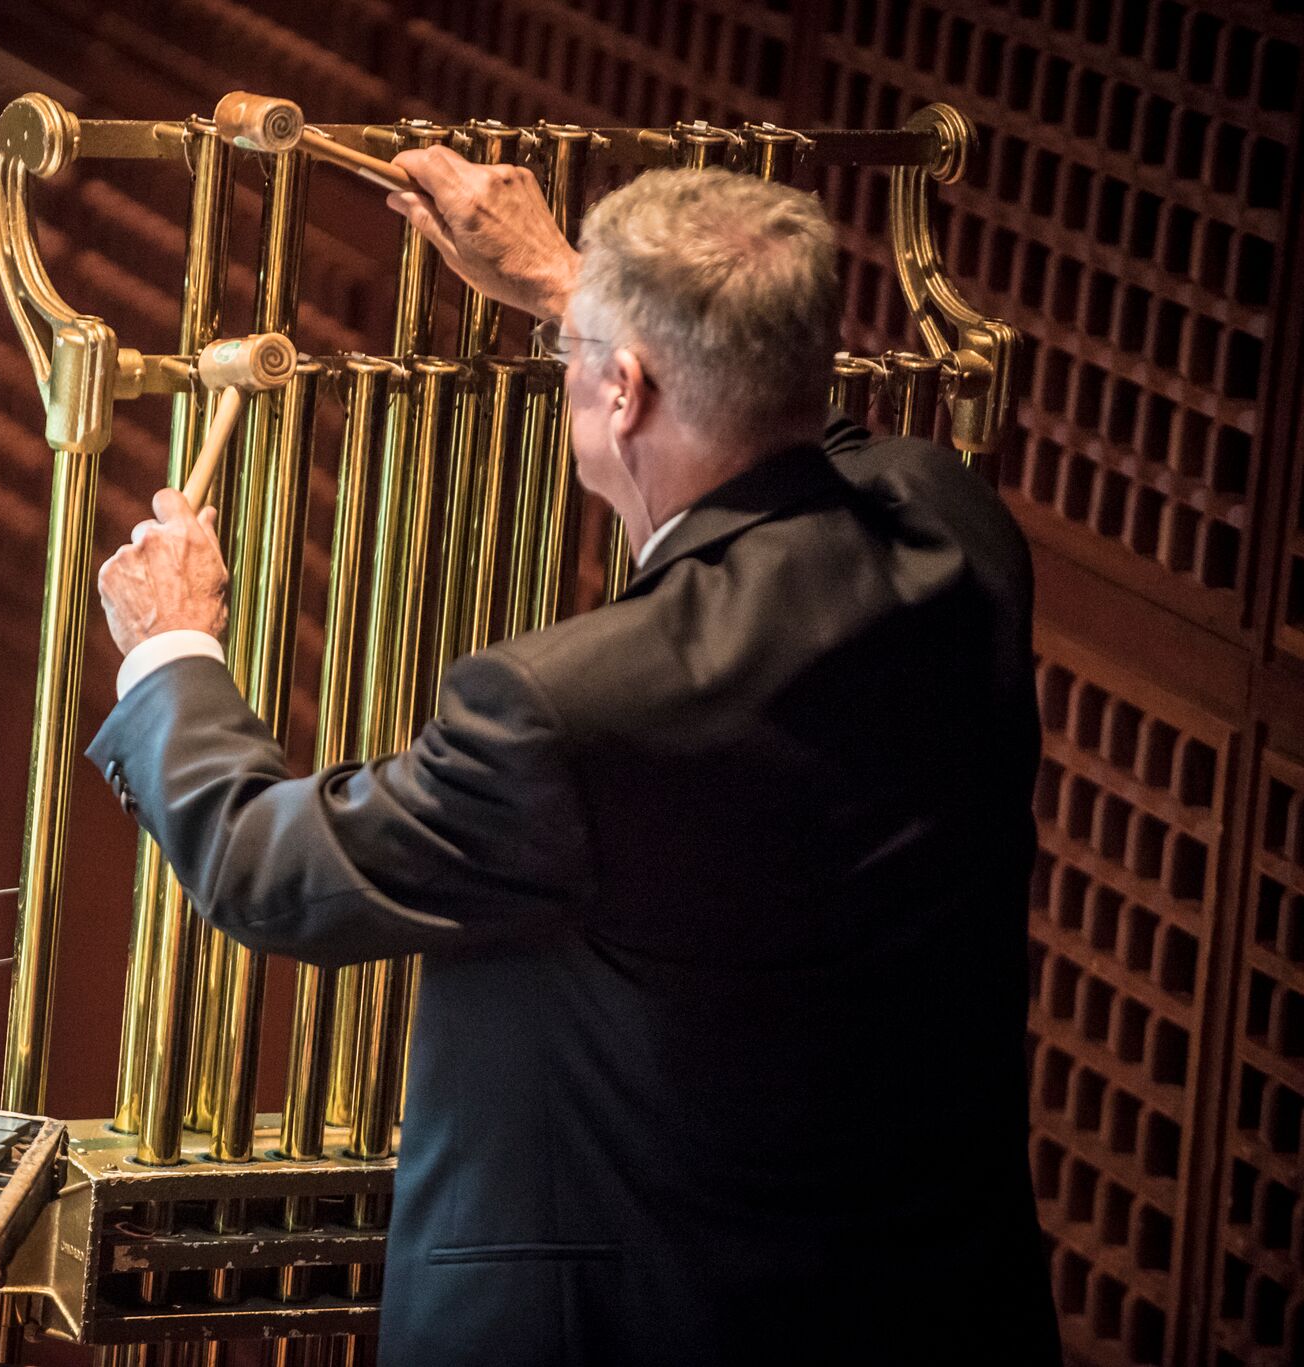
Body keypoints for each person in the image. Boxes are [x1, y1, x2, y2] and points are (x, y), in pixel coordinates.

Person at [87, 151, 1059, 1365]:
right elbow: (804, 428)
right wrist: (567, 287)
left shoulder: (566, 708)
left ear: (624, 390)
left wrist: (170, 646)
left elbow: (265, 868)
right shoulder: (954, 530)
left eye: (577, 356)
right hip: (935, 1313)